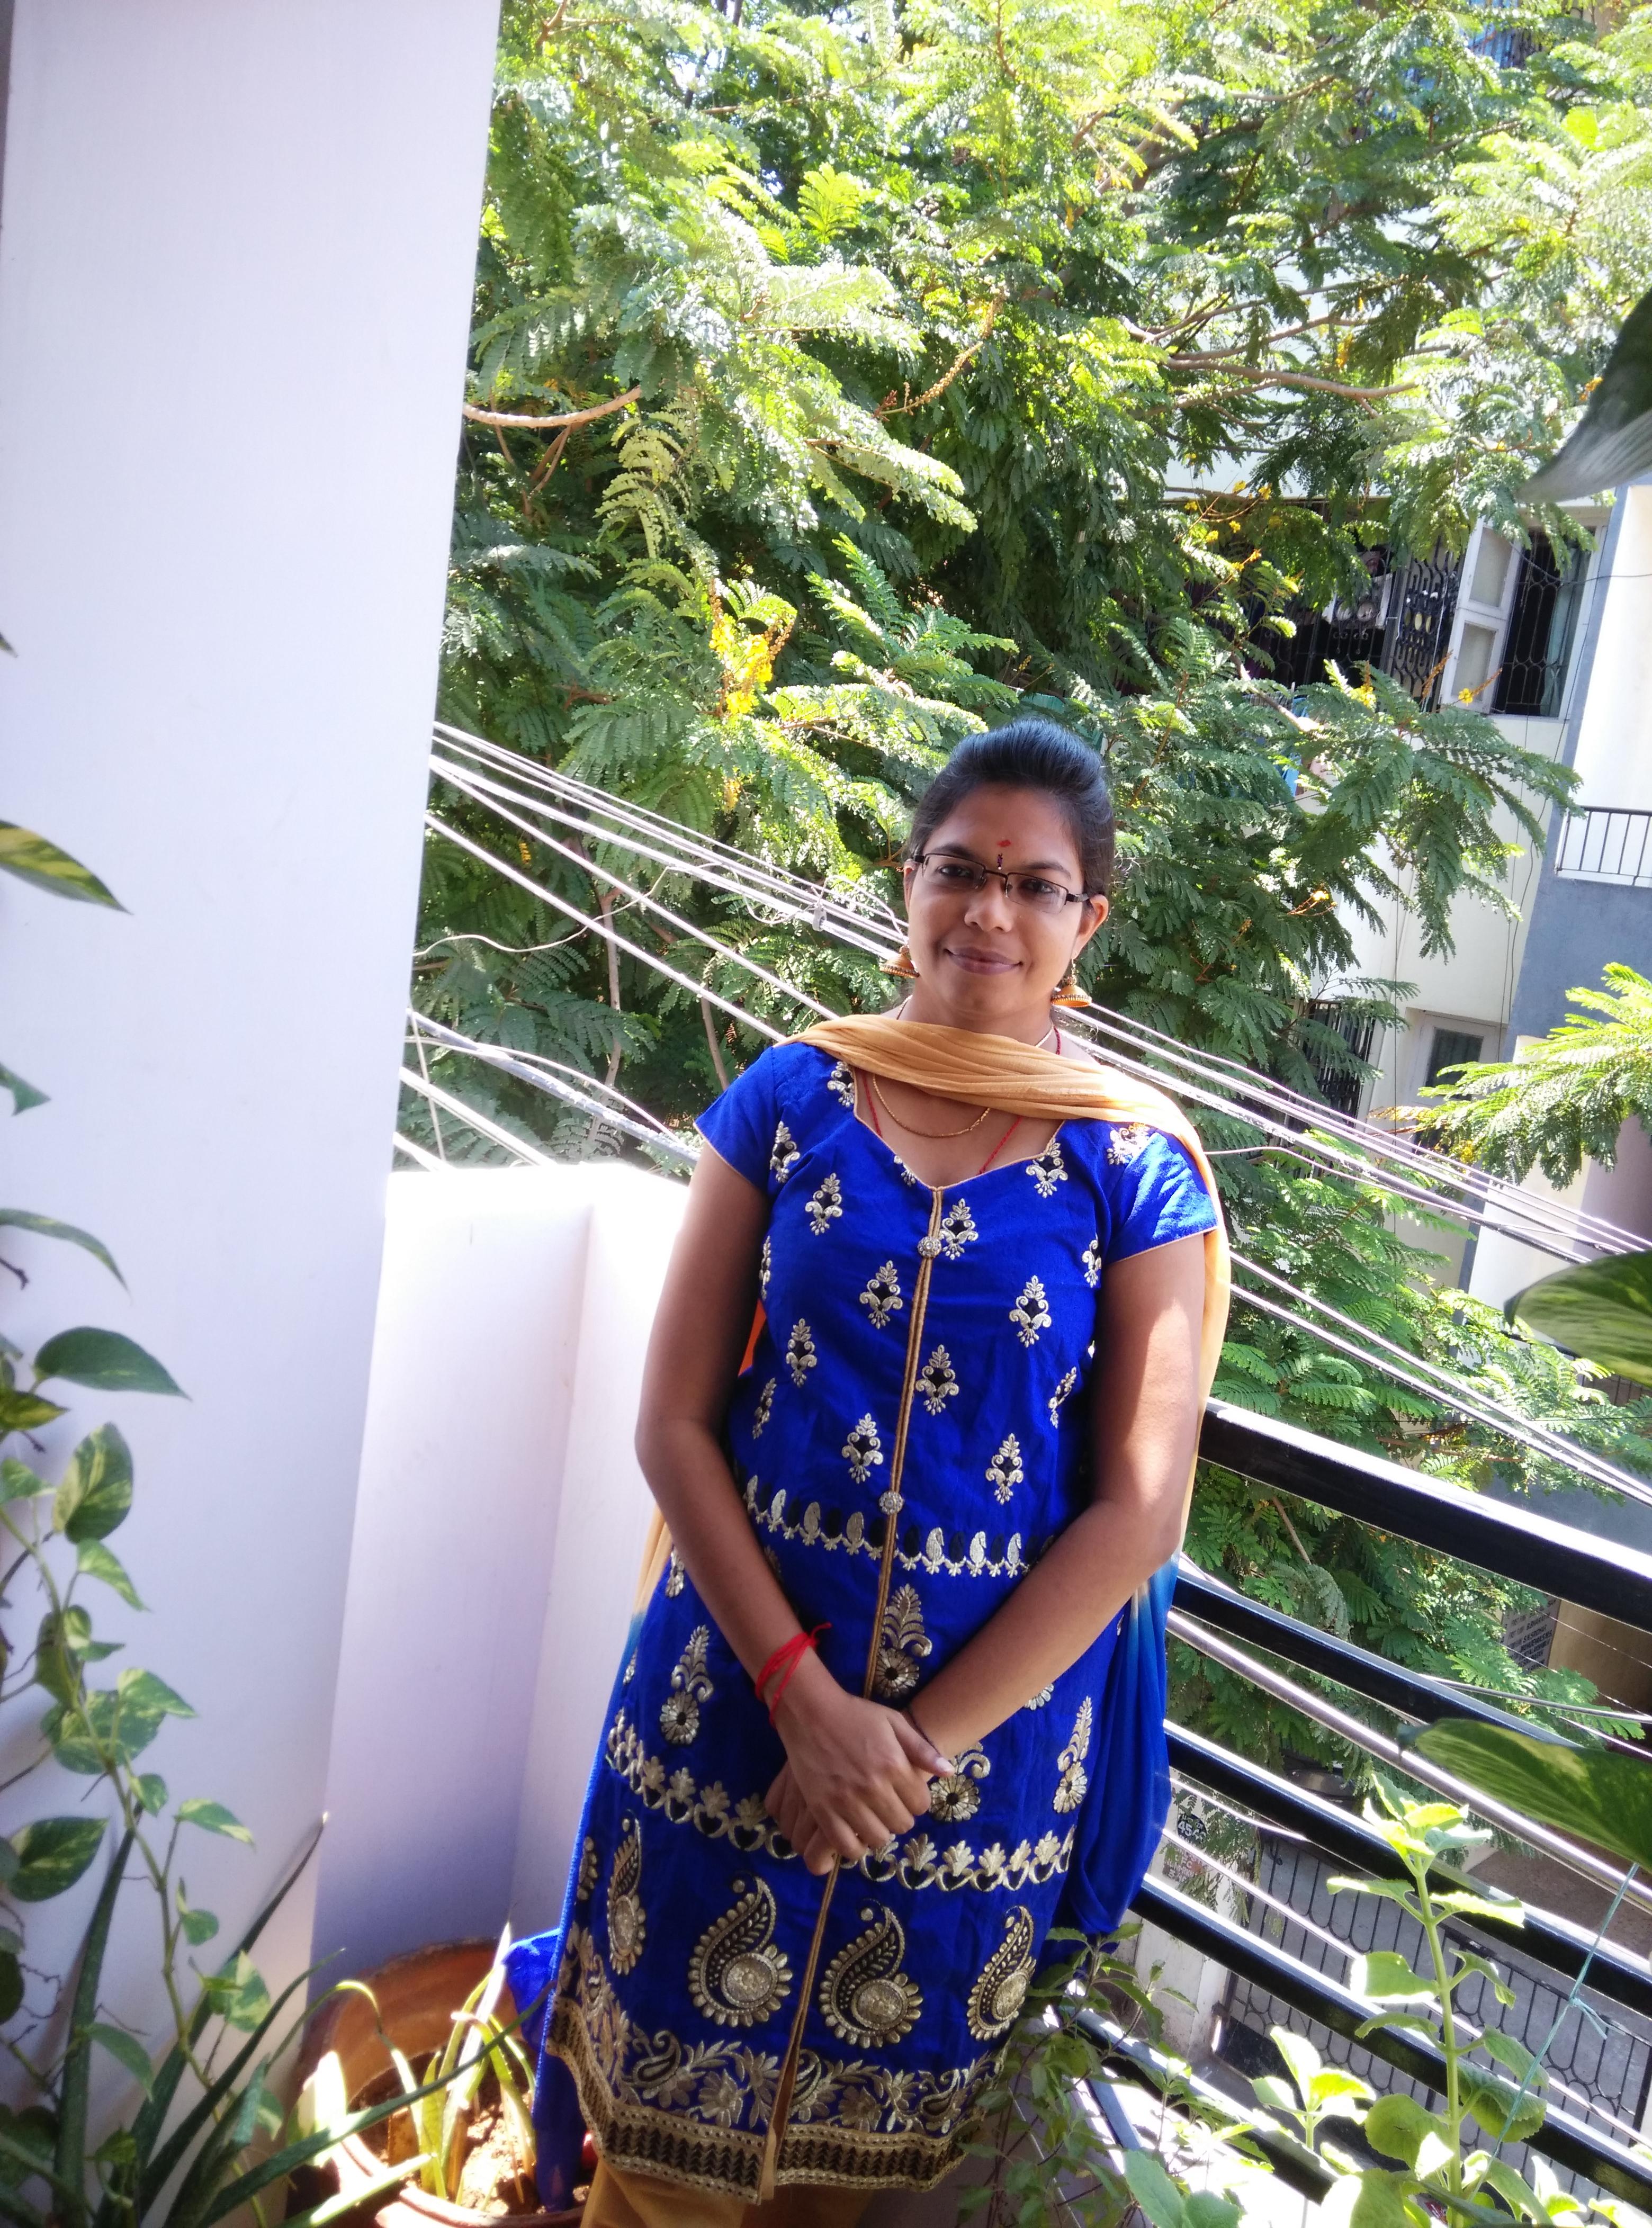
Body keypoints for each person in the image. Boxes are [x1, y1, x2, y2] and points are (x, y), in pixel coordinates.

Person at [545, 718, 1231, 2227]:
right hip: (732, 1704)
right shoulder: (791, 1096)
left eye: (1036, 885)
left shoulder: (1134, 1164)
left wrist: (903, 1754)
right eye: (960, 869)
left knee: (841, 2183)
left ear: (1086, 921)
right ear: (906, 882)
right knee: (654, 2167)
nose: (991, 910)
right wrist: (803, 1698)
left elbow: (1142, 1509)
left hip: (970, 1774)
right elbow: (673, 1423)